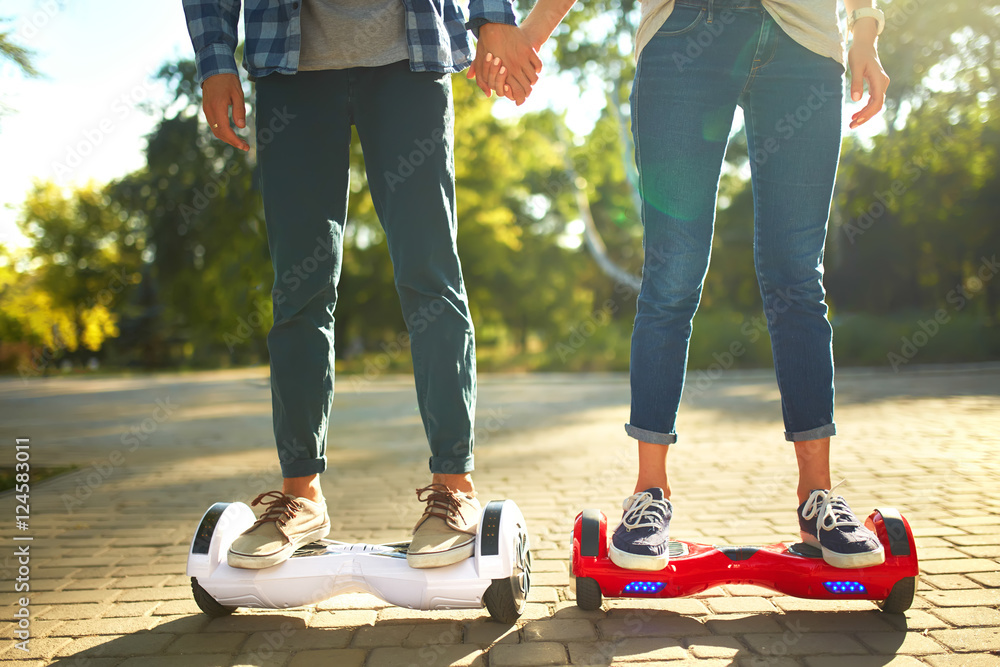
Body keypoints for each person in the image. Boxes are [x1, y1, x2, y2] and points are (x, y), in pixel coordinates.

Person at [492, 0, 891, 570]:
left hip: (805, 41)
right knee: (672, 274)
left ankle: (817, 497)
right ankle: (649, 494)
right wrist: (529, 34)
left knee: (797, 276)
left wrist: (866, 34)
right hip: (684, 33)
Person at [181, 0, 544, 570]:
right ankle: (301, 496)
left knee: (430, 275)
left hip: (409, 56)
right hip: (290, 65)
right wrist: (214, 58)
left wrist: (493, 15)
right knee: (299, 289)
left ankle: (454, 487)